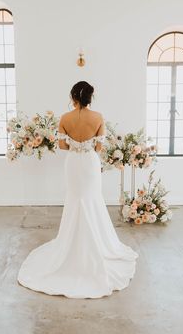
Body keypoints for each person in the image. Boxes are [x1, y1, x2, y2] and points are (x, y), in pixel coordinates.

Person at [17, 81, 138, 299]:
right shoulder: (98, 117)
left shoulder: (65, 118)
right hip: (90, 163)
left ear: (73, 96)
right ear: (90, 97)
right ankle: (98, 245)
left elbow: (63, 146)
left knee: (75, 199)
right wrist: (88, 145)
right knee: (92, 199)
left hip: (73, 163)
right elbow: (99, 147)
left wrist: (75, 144)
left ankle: (71, 245)